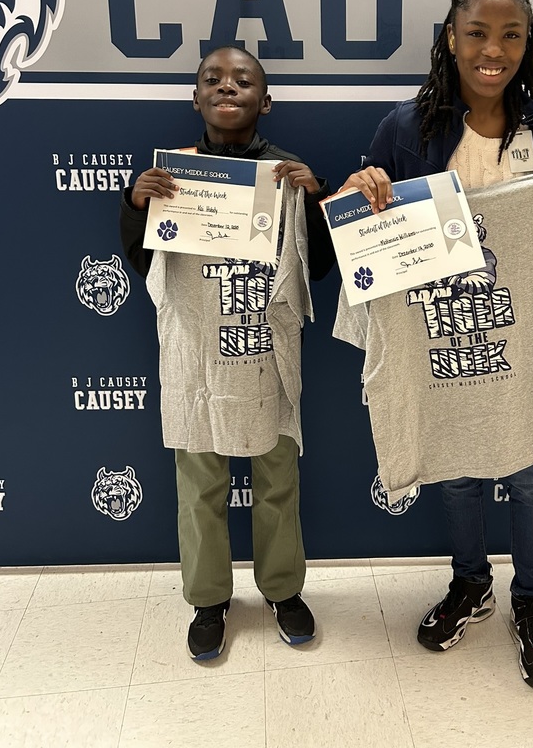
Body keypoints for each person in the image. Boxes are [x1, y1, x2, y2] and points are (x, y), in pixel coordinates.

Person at [340, 0, 533, 689]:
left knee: (530, 473)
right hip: (439, 327)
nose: (494, 49)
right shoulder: (406, 128)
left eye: (511, 34)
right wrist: (361, 191)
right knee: (455, 469)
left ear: (529, 42)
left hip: (521, 332)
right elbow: (366, 229)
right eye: (478, 33)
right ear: (450, 40)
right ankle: (470, 584)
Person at [120, 44, 334, 661]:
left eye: (243, 80)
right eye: (212, 79)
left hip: (265, 350)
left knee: (277, 480)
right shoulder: (173, 175)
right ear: (196, 100)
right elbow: (145, 264)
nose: (227, 87)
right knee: (199, 484)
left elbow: (318, 268)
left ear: (264, 101)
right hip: (195, 357)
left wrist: (315, 200)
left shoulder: (288, 173)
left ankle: (283, 591)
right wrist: (137, 205)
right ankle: (209, 599)